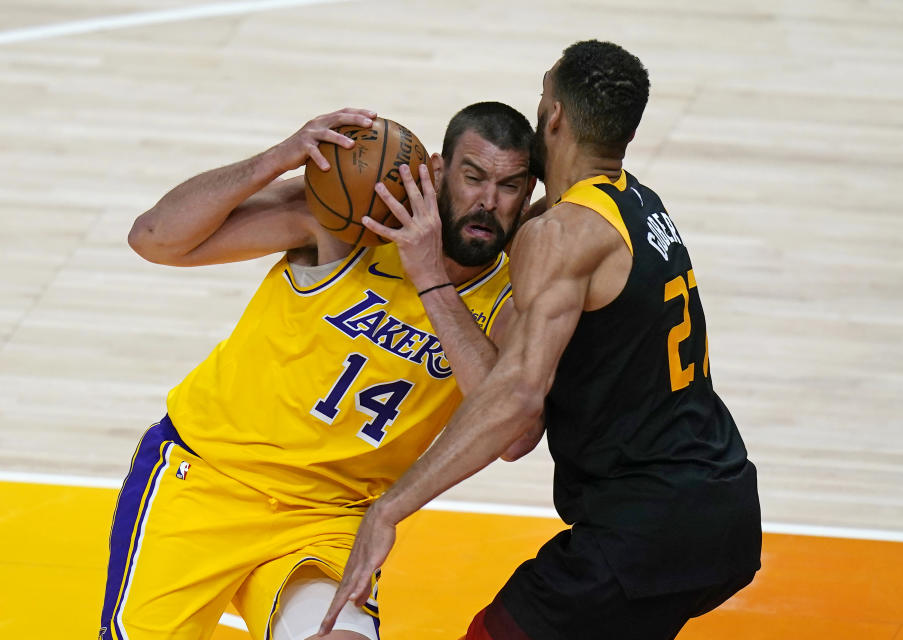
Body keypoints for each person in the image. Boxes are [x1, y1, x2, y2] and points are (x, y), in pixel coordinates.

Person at [320, 40, 762, 640]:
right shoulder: (635, 203)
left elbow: (519, 399)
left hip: (647, 526)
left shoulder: (562, 235)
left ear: (553, 115)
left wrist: (390, 507)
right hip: (720, 503)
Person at [98, 101, 537, 640]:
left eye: (510, 186)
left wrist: (429, 279)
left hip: (328, 517)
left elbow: (514, 437)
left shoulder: (513, 297)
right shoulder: (346, 222)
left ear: (530, 191)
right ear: (440, 171)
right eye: (474, 178)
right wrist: (276, 159)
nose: (488, 202)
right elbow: (154, 238)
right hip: (210, 479)